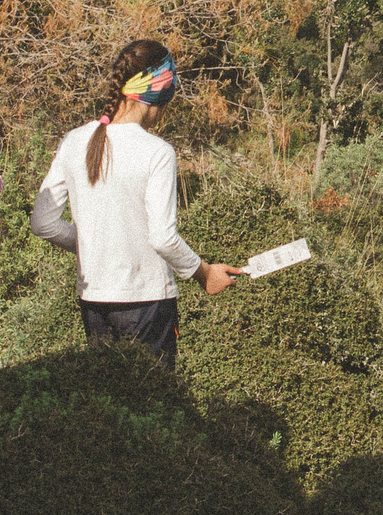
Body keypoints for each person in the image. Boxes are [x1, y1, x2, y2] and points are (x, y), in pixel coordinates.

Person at [30, 39, 242, 367]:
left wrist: (88, 245)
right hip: (147, 302)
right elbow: (163, 237)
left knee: (109, 404)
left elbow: (42, 222)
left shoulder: (74, 141)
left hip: (94, 299)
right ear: (158, 94)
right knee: (154, 403)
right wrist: (204, 274)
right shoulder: (157, 152)